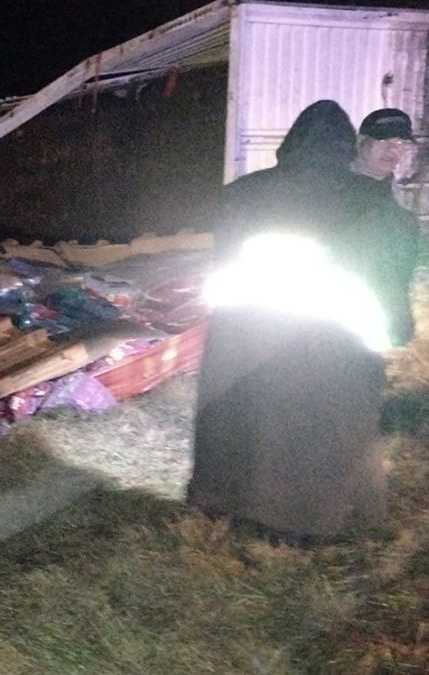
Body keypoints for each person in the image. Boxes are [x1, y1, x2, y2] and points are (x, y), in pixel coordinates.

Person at [188, 100, 419, 541]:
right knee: (311, 438)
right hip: (329, 352)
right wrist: (396, 330)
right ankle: (297, 526)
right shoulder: (380, 212)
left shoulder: (242, 193)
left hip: (243, 341)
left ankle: (220, 505)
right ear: (349, 148)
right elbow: (388, 292)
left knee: (240, 424)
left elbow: (220, 264)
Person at [352, 108, 415, 185]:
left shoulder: (394, 187)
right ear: (360, 141)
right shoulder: (339, 184)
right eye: (382, 140)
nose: (392, 148)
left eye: (400, 142)